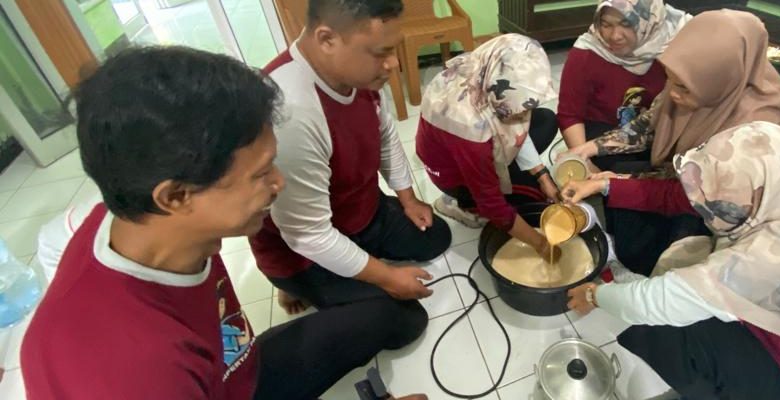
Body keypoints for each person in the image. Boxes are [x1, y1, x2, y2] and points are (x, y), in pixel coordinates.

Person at [21, 47, 425, 400]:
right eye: (261, 173)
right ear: (176, 196)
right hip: (204, 383)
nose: (279, 183)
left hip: (233, 374)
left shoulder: (138, 218)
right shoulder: (136, 371)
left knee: (397, 316)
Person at [567, 121, 780, 399]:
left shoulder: (768, 259)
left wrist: (595, 295)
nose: (709, 205)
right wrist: (608, 185)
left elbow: (652, 302)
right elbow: (681, 198)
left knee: (670, 329)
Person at [250, 0, 451, 319]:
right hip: (301, 251)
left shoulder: (361, 75)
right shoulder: (290, 112)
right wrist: (387, 278)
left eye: (393, 49)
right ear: (327, 39)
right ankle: (292, 284)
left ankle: (357, 258)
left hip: (359, 211)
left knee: (436, 237)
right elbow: (309, 235)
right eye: (381, 52)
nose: (393, 64)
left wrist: (408, 199)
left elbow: (385, 134)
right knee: (404, 318)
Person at [562, 9, 780, 275]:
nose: (672, 93)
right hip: (683, 177)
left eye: (683, 87)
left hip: (715, 209)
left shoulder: (752, 135)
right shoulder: (695, 84)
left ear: (722, 79)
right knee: (619, 179)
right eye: (670, 79)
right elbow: (649, 123)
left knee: (664, 248)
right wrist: (590, 148)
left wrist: (609, 184)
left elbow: (687, 197)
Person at [416, 34, 561, 258]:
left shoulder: (484, 70)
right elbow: (493, 206)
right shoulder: (468, 127)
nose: (523, 115)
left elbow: (517, 126)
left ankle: (499, 183)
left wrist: (543, 176)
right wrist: (542, 245)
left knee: (545, 120)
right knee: (527, 199)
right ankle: (462, 204)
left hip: (468, 150)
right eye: (518, 110)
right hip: (452, 174)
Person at [558, 0, 690, 172]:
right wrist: (584, 161)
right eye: (606, 25)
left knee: (675, 166)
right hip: (605, 130)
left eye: (627, 24)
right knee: (621, 168)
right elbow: (570, 114)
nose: (615, 36)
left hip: (660, 127)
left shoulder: (675, 44)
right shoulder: (588, 52)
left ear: (649, 21)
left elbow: (663, 116)